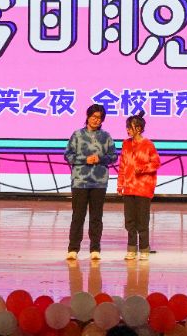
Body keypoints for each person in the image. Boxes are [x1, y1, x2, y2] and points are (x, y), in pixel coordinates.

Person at [65, 104, 117, 261]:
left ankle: (95, 248)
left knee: (96, 217)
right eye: (93, 117)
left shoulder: (106, 136)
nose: (96, 120)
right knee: (78, 216)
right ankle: (73, 249)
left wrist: (100, 159)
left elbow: (113, 156)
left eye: (99, 118)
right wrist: (84, 159)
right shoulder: (77, 135)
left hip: (99, 182)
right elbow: (68, 155)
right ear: (88, 117)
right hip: (80, 181)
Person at [116, 109, 161, 260]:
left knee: (142, 220)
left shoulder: (148, 144)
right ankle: (131, 248)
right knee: (130, 220)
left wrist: (142, 168)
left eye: (130, 127)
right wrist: (120, 184)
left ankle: (144, 249)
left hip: (143, 188)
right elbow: (122, 165)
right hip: (129, 188)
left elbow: (156, 163)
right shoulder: (126, 144)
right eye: (127, 127)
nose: (127, 130)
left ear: (139, 128)